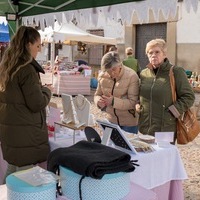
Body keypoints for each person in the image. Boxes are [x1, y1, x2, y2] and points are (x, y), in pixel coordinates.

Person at [0, 26, 52, 181]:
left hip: (13, 134)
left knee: (12, 175)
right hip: (26, 136)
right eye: (38, 46)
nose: (39, 50)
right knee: (25, 183)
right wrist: (46, 91)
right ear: (28, 45)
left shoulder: (8, 66)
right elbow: (37, 103)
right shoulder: (27, 69)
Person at [137, 38, 195, 143]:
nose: (153, 55)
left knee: (163, 157)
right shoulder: (144, 73)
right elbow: (141, 95)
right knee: (146, 156)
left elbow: (189, 97)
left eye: (157, 52)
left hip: (165, 128)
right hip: (145, 127)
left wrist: (172, 111)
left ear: (164, 54)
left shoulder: (176, 72)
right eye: (150, 53)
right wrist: (138, 105)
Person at [94, 51, 139, 134]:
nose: (112, 73)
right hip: (111, 120)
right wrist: (98, 101)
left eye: (114, 69)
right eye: (108, 71)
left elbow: (133, 102)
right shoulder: (102, 75)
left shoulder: (132, 76)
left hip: (129, 123)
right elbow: (97, 94)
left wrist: (113, 101)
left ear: (120, 65)